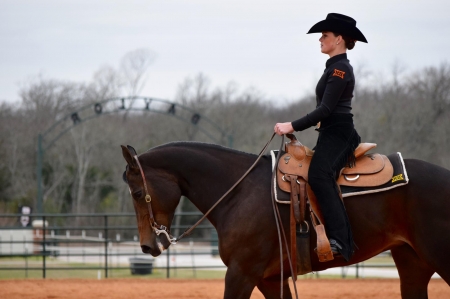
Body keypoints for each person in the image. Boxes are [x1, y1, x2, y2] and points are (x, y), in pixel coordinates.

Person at [274, 13, 368, 261]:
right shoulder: (334, 68)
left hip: (340, 134)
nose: (320, 39)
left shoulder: (340, 69)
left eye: (324, 36)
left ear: (338, 39)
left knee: (318, 174)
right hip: (329, 133)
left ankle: (339, 240)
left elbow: (326, 110)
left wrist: (290, 126)